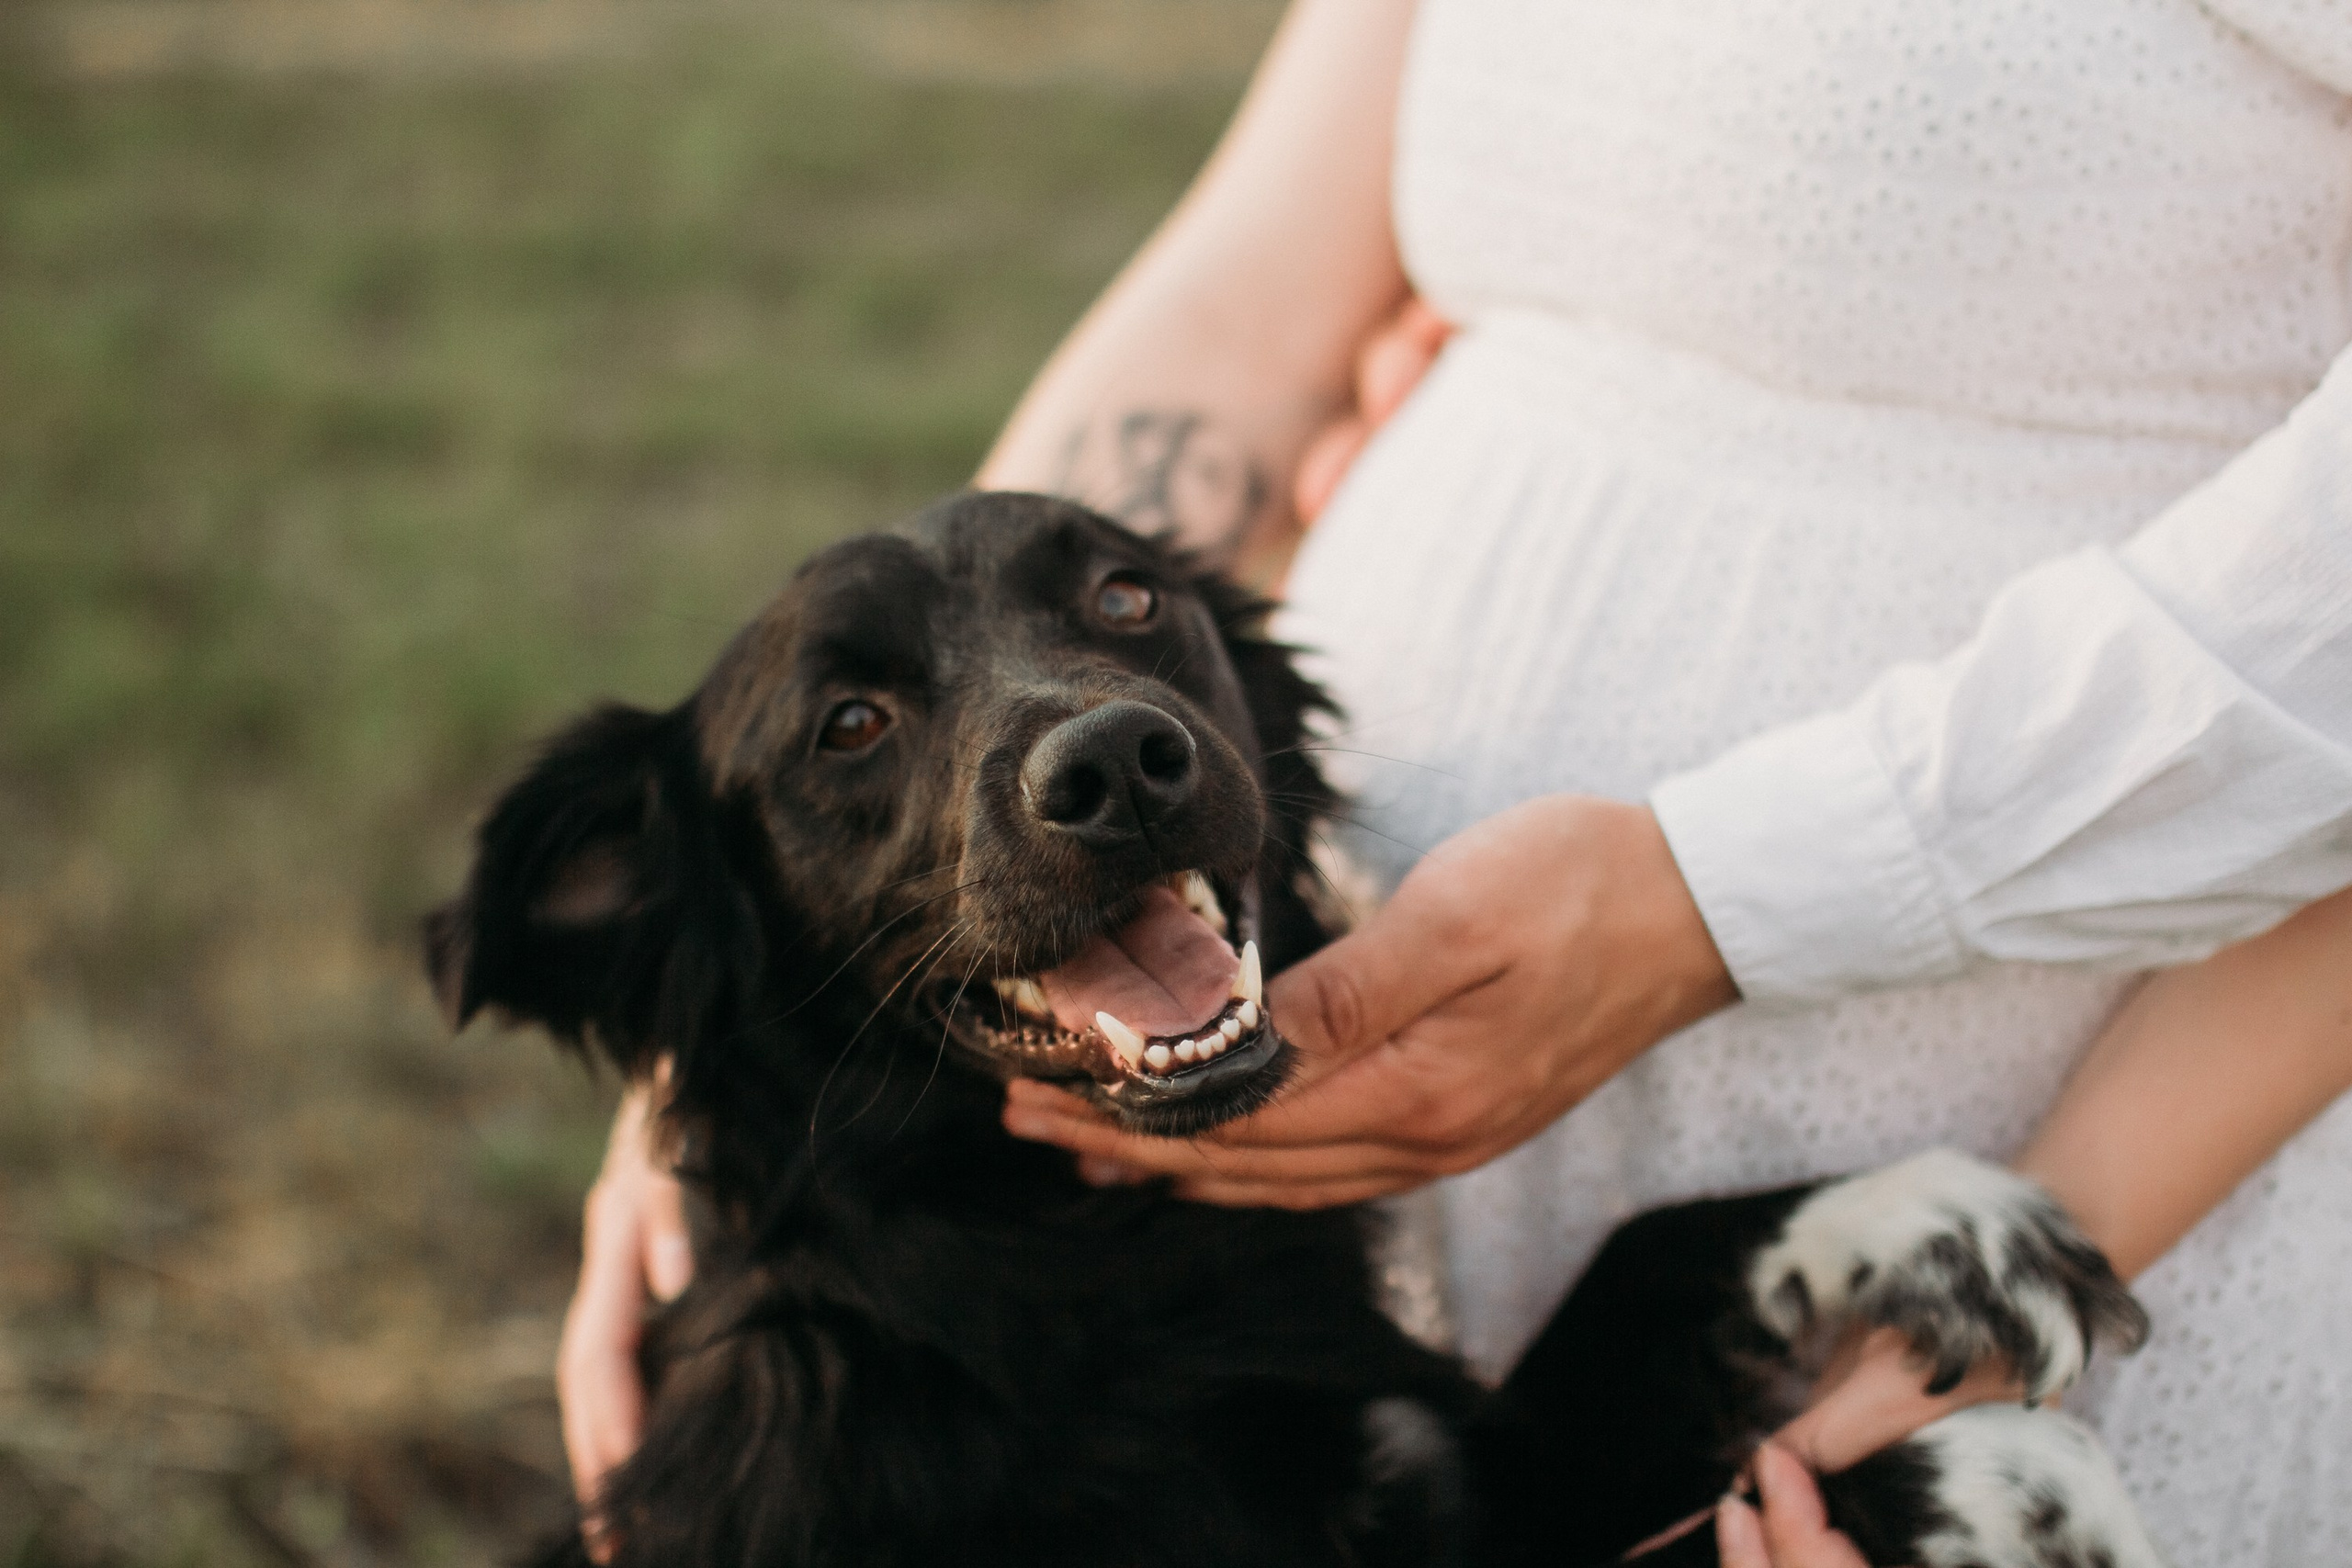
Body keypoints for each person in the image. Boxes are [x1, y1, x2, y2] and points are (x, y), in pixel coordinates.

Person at [557, 1, 2352, 1561]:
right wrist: (720, 1036)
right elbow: (1247, 302)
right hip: (1387, 1199)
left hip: (2137, 1112)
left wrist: (1720, 900)